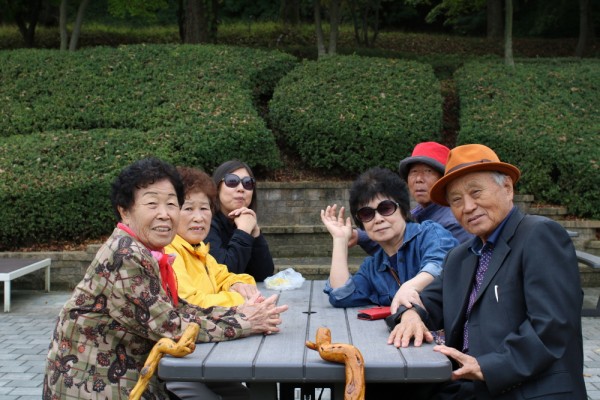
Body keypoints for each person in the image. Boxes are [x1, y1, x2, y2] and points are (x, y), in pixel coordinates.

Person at [42, 158, 288, 400]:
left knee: (237, 392)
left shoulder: (149, 251)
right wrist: (245, 322)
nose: (164, 214)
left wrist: (239, 314)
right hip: (99, 385)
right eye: (152, 204)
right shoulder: (125, 254)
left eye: (171, 204)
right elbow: (170, 327)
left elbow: (177, 308)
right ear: (124, 211)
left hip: (137, 373)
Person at [387, 144, 587, 399]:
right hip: (468, 384)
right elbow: (427, 302)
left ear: (507, 188)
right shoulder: (460, 256)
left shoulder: (539, 235)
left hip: (525, 387)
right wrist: (411, 315)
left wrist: (486, 367)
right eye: (456, 200)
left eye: (476, 192)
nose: (468, 207)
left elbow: (553, 325)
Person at [320, 167, 458, 312]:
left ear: (403, 210)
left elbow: (440, 265)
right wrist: (340, 240)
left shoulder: (430, 234)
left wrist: (409, 287)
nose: (378, 219)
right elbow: (342, 295)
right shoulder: (372, 268)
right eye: (367, 214)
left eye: (386, 208)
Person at [350, 142, 472, 255]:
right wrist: (357, 235)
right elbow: (393, 240)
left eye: (428, 171)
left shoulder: (452, 223)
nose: (419, 179)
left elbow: (405, 252)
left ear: (443, 180)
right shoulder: (417, 213)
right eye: (414, 172)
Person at [165, 166, 258, 309]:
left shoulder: (199, 248)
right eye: (188, 208)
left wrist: (238, 285)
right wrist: (240, 298)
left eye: (204, 208)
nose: (199, 218)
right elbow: (189, 303)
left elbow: (224, 276)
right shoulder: (169, 252)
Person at [205, 160, 274, 282]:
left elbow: (264, 274)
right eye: (232, 181)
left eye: (248, 183)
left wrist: (255, 234)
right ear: (217, 187)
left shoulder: (242, 223)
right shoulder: (205, 224)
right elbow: (225, 274)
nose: (241, 189)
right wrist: (243, 232)